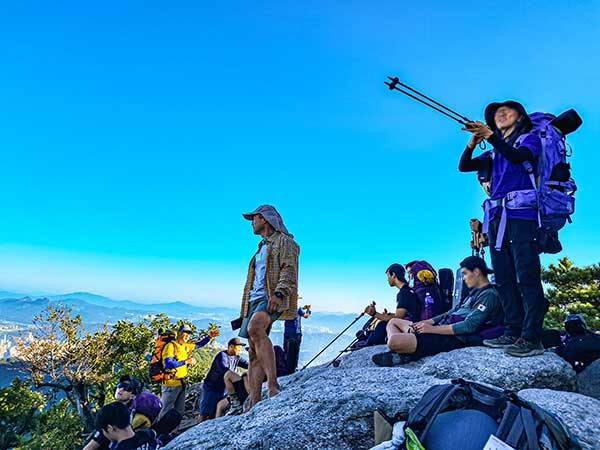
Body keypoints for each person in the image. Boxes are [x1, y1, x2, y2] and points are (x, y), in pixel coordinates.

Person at [459, 100, 548, 357]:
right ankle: (512, 330)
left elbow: (519, 158)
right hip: (497, 218)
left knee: (526, 275)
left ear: (520, 117)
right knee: (505, 277)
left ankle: (532, 337)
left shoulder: (528, 140)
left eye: (507, 111)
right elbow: (464, 166)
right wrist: (473, 143)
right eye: (497, 113)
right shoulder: (494, 152)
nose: (501, 114)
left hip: (521, 215)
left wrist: (491, 137)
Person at [372, 256, 502, 366]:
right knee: (393, 322)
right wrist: (427, 322)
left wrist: (431, 329)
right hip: (441, 327)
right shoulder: (472, 294)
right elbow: (450, 312)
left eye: (465, 274)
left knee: (393, 342)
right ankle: (407, 352)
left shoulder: (488, 295)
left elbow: (469, 326)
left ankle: (406, 353)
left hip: (454, 337)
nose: (464, 278)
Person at [237, 204, 299, 411]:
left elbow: (289, 269)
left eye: (254, 218)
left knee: (255, 329)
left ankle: (273, 384)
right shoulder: (262, 246)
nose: (252, 223)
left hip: (270, 295)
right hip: (253, 300)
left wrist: (280, 293)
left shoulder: (284, 242)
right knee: (253, 352)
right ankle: (254, 400)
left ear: (264, 219)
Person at [158, 324, 219, 420]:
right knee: (166, 411)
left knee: (179, 412)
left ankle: (173, 432)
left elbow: (199, 344)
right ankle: (158, 432)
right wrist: (186, 361)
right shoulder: (171, 346)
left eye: (188, 334)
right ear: (179, 333)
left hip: (181, 384)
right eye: (184, 333)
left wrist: (209, 337)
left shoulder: (185, 346)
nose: (187, 336)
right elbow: (168, 363)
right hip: (170, 384)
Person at [358, 264, 422, 348]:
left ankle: (367, 344)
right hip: (412, 322)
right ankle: (367, 338)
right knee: (374, 326)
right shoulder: (408, 290)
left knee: (382, 325)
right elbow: (403, 314)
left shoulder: (404, 293)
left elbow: (397, 319)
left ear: (393, 275)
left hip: (409, 326)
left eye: (388, 276)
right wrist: (388, 315)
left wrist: (374, 314)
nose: (387, 279)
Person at [83, 376, 154, 450]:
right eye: (120, 385)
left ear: (133, 395)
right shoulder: (110, 412)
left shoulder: (135, 417)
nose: (121, 389)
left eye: (127, 388)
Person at [198, 337, 249, 421]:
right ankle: (198, 429)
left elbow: (247, 365)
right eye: (238, 347)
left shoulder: (237, 358)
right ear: (231, 346)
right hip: (211, 388)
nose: (239, 349)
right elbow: (225, 371)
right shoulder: (222, 356)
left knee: (215, 410)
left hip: (223, 390)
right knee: (204, 412)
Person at [283, 304, 311, 373]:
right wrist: (309, 310)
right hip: (296, 333)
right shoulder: (297, 308)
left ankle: (286, 369)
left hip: (287, 332)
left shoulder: (285, 307)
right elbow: (306, 316)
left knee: (286, 351)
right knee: (295, 352)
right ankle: (293, 370)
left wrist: (303, 308)